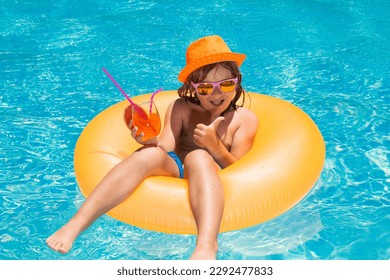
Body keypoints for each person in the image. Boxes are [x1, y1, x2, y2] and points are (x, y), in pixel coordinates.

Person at [46, 35, 258, 260]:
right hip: (176, 169)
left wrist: (215, 147)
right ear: (193, 88)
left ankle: (206, 245)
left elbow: (239, 171)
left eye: (226, 84)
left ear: (237, 82)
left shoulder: (244, 119)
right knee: (148, 155)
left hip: (211, 174)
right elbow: (165, 148)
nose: (217, 94)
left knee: (198, 156)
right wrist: (147, 141)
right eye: (206, 88)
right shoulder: (181, 108)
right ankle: (77, 223)